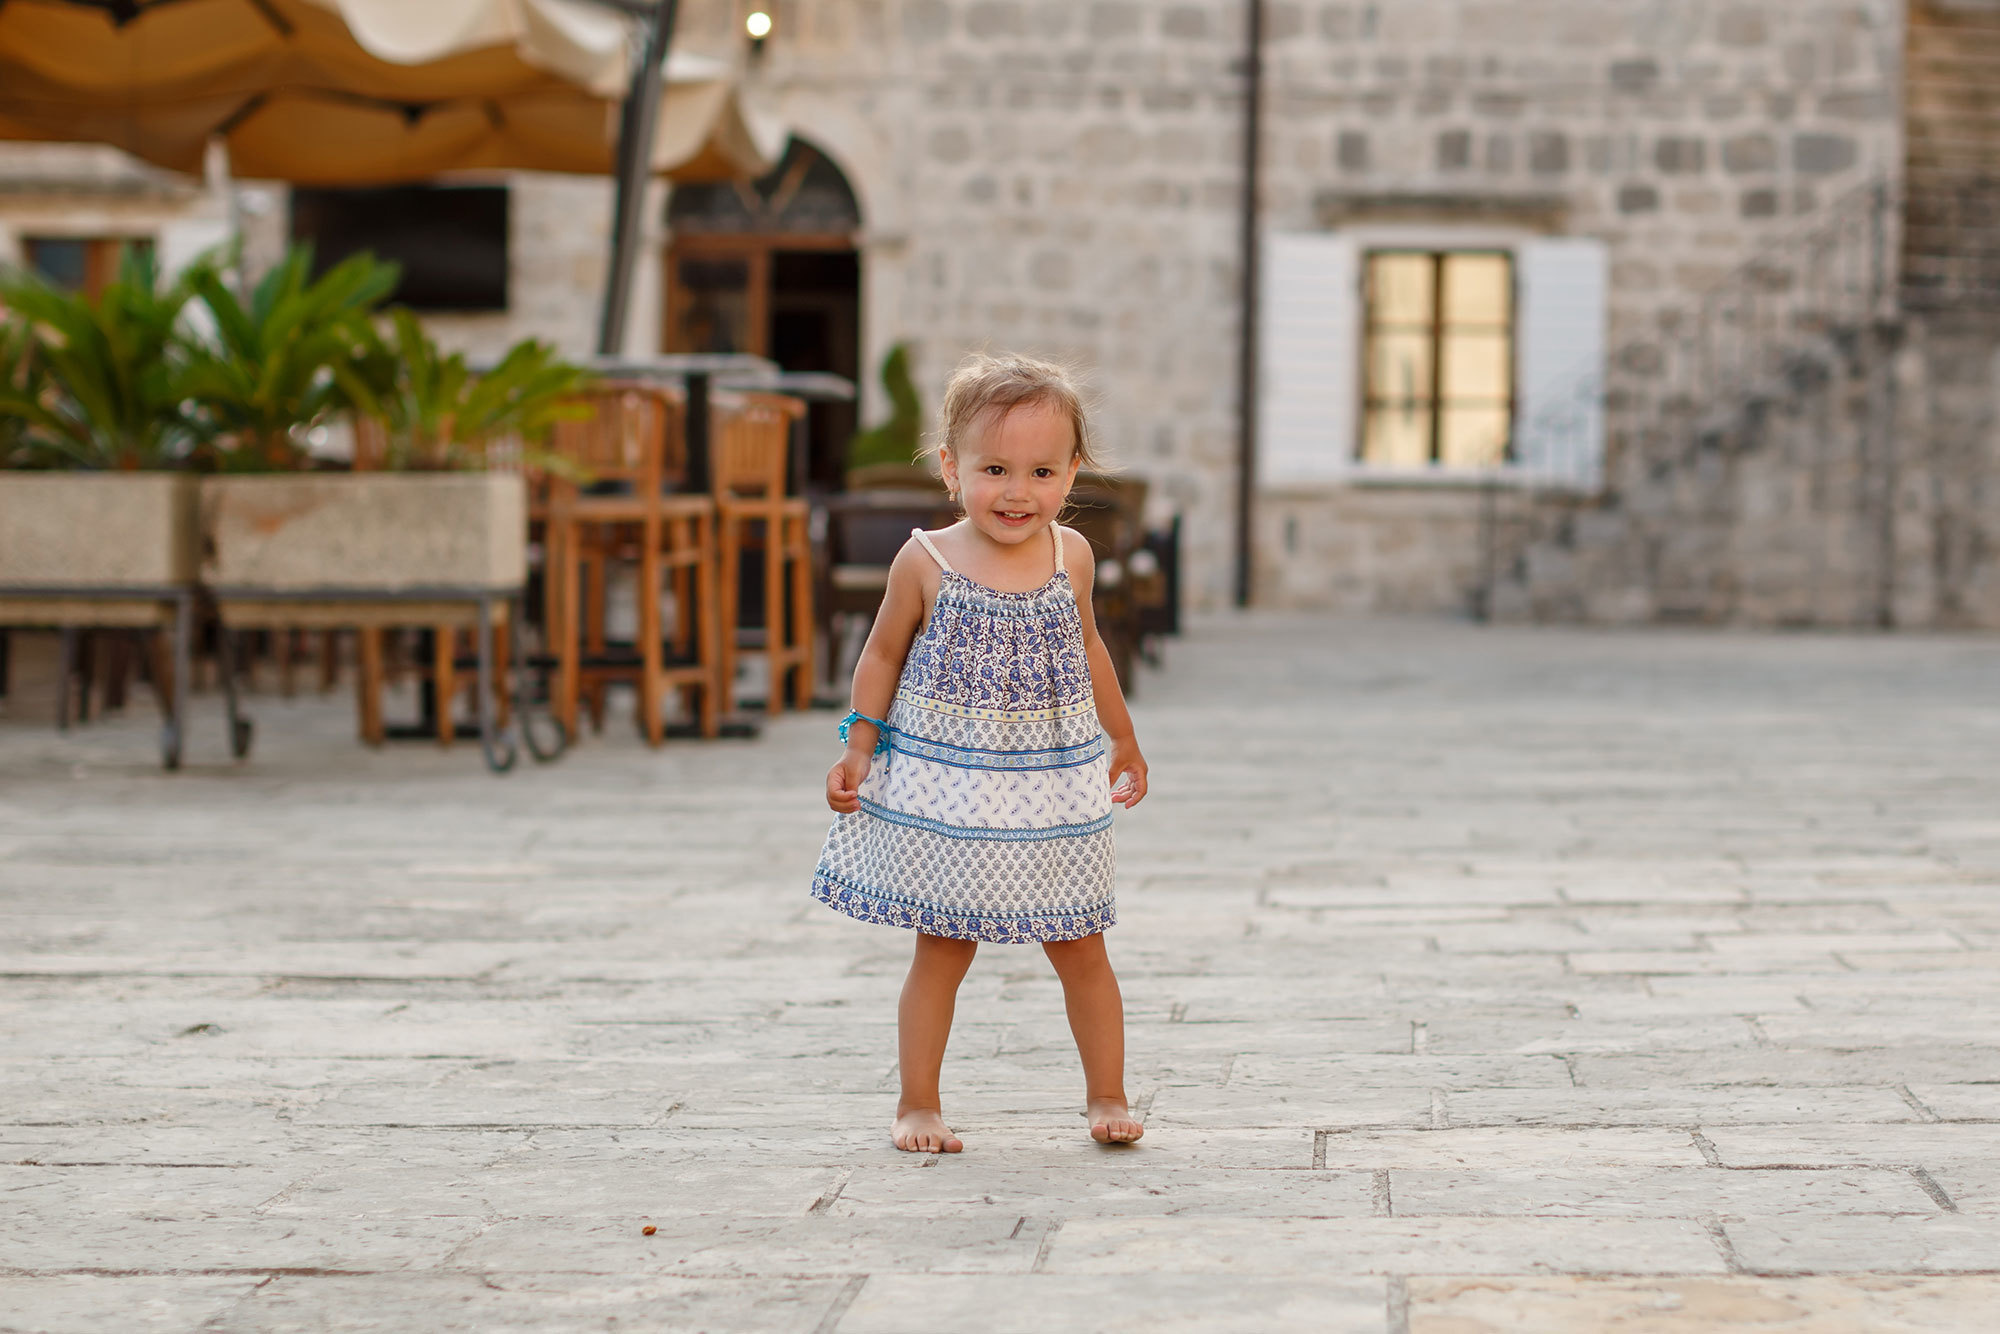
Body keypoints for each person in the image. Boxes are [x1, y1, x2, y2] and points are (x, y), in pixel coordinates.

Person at [812, 351, 1149, 1153]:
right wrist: (859, 745)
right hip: (950, 784)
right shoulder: (924, 559)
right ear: (951, 469)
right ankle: (918, 1103)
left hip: (1053, 781)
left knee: (1082, 943)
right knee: (943, 944)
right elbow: (882, 654)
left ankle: (1108, 1092)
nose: (1017, 492)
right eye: (994, 468)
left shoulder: (1073, 558)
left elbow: (1092, 648)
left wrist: (1124, 735)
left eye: (1040, 471)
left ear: (1072, 474)